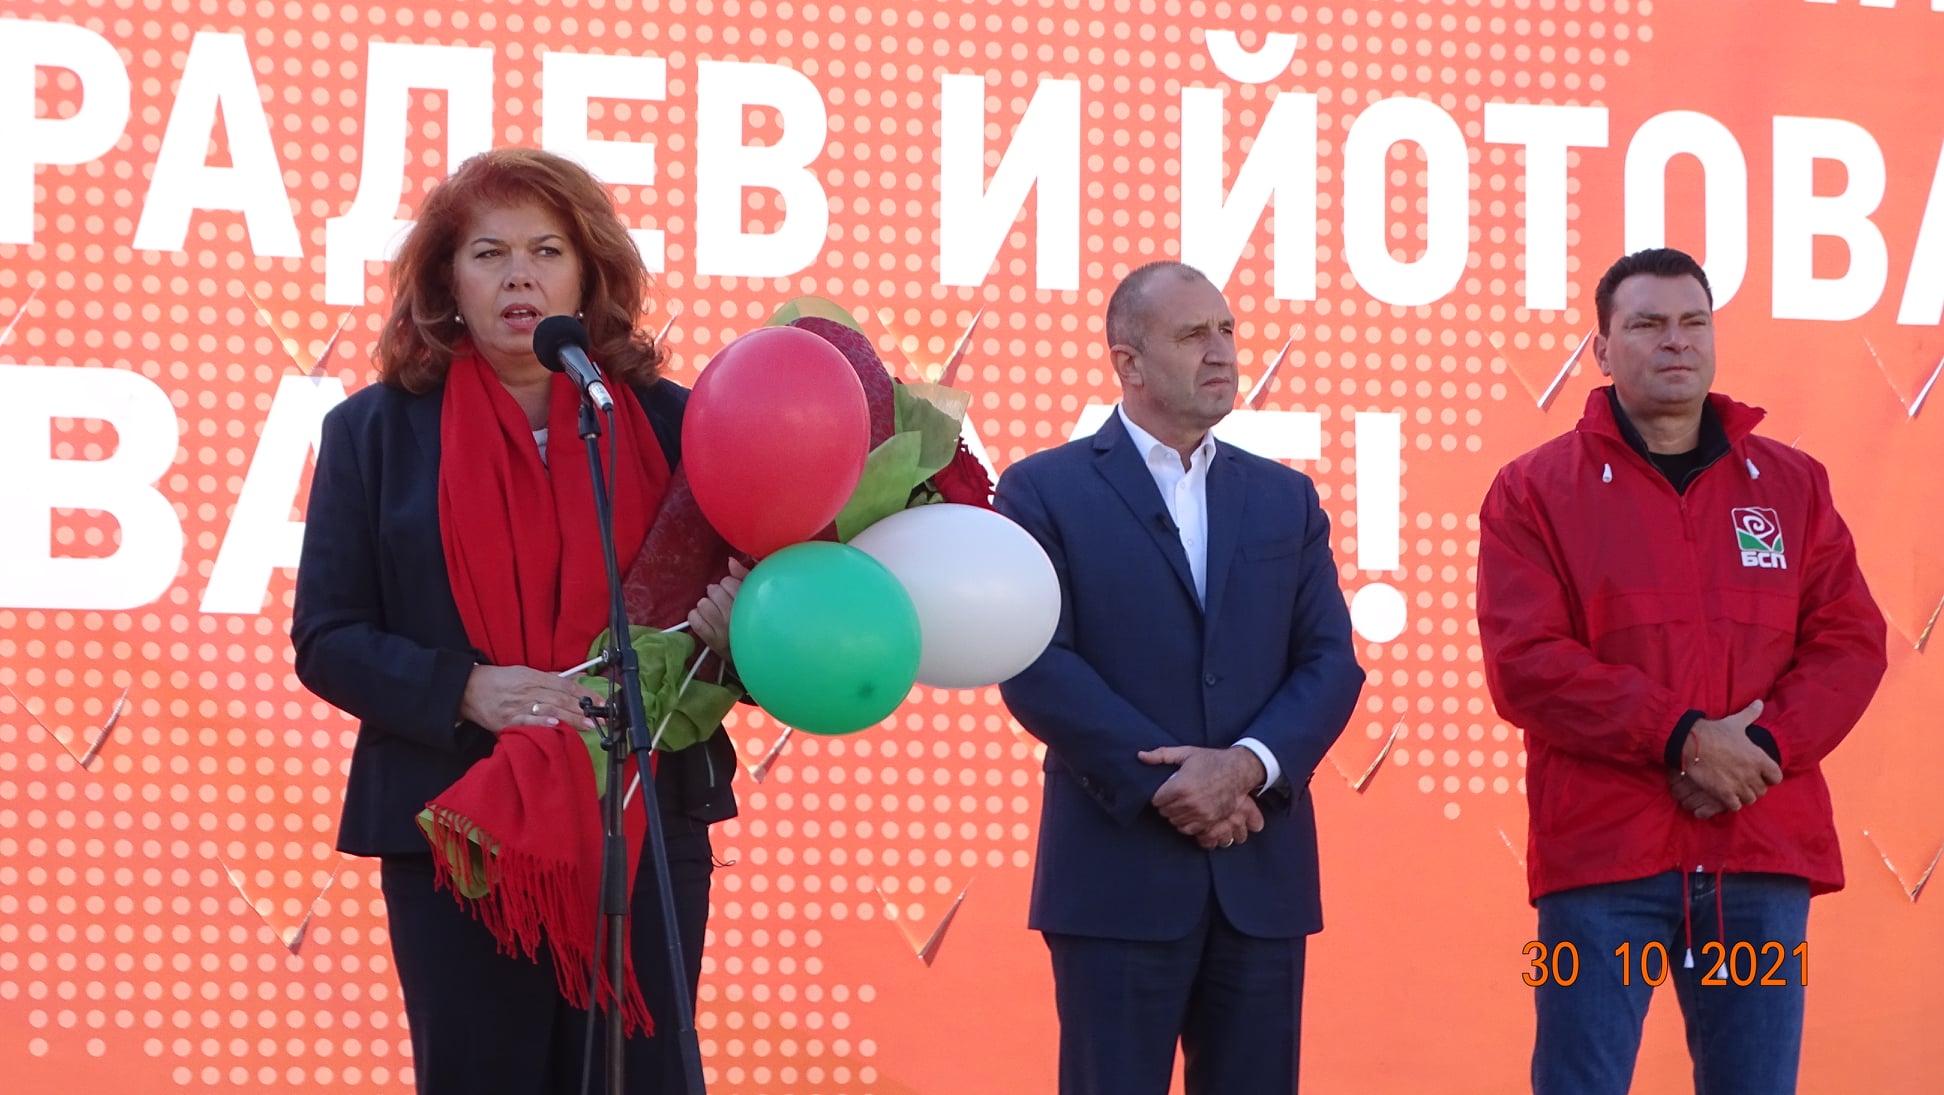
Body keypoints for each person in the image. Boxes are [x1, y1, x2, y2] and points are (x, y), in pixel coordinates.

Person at [292, 148, 742, 1094]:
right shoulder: (374, 434)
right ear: (447, 282)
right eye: (489, 254)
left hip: (643, 817)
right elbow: (327, 637)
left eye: (547, 251)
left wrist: (734, 626)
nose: (520, 277)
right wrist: (468, 688)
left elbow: (727, 626)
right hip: (461, 830)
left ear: (588, 274)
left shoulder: (676, 424)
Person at [1477, 247, 1888, 1095]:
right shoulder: (1532, 491)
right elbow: (1527, 663)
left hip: (1758, 854)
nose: (1676, 340)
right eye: (1648, 324)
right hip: (1603, 863)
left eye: (1694, 321)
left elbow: (1850, 641)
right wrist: (1683, 739)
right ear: (1601, 349)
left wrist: (1762, 748)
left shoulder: (1793, 485)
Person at [995, 261, 1365, 1095]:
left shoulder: (1285, 498)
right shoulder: (1043, 491)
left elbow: (1329, 661)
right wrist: (1170, 782)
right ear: (1128, 362)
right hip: (1116, 877)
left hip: (1259, 873)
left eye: (1227, 329)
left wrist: (1245, 767)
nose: (1222, 350)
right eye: (1194, 333)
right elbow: (1035, 661)